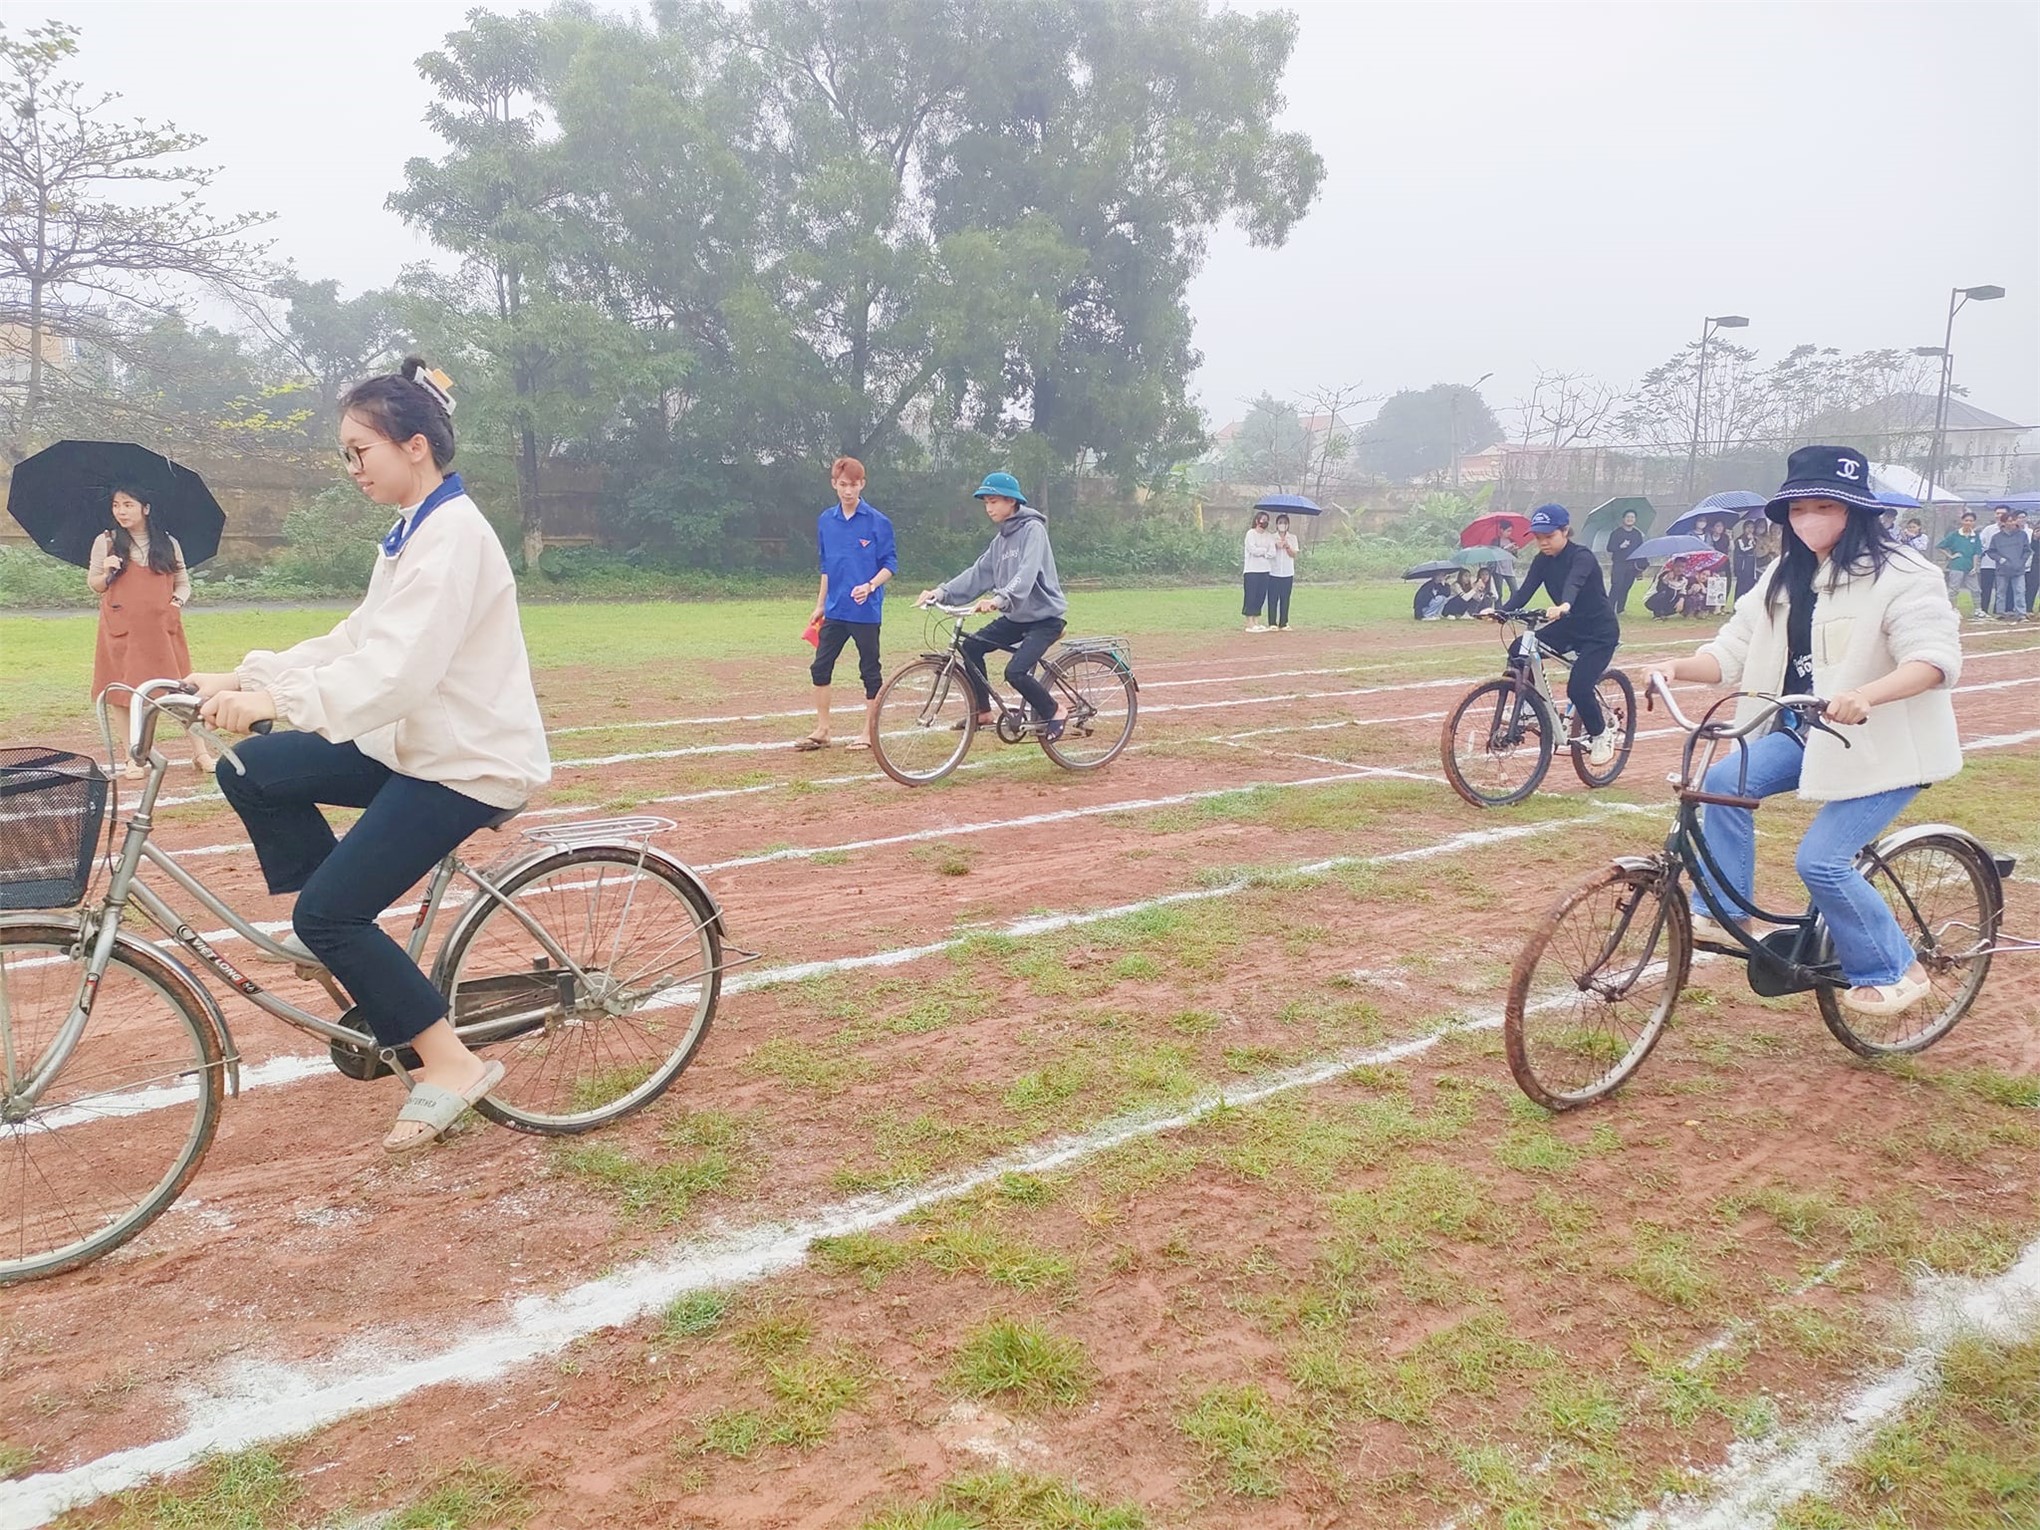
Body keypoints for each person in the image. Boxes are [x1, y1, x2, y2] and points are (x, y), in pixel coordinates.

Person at [185, 357, 550, 1154]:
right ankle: (346, 943)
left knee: (329, 912)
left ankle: (450, 1063)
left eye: (361, 452)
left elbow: (397, 672)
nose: (352, 469)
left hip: (465, 761)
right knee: (251, 767)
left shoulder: (454, 536)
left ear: (414, 445)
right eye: (345, 455)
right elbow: (359, 638)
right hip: (414, 744)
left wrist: (277, 703)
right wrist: (251, 675)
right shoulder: (414, 529)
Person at [1645, 445, 1961, 1018]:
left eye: (1824, 506)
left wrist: (1866, 694)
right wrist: (1676, 667)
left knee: (1821, 861)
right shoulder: (1782, 574)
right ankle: (1724, 908)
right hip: (1803, 730)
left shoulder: (1906, 574)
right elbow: (1732, 651)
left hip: (1882, 745)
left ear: (1856, 510)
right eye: (1797, 508)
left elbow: (1933, 659)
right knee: (1722, 781)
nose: (1808, 518)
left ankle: (1896, 968)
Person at [918, 472, 1068, 740]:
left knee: (1015, 671)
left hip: (1044, 618)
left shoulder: (1033, 530)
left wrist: (1000, 599)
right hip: (1016, 617)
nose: (989, 508)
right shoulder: (1000, 542)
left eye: (994, 501)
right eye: (986, 502)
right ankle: (983, 711)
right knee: (972, 646)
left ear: (1012, 502)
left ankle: (1054, 710)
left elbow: (1027, 572)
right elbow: (977, 575)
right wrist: (940, 592)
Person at [89, 483, 211, 778]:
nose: (121, 511)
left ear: (146, 508)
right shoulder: (106, 541)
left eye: (128, 504)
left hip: (161, 628)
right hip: (121, 629)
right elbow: (94, 584)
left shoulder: (168, 543)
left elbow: (182, 582)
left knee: (180, 689)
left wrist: (175, 604)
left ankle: (201, 753)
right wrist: (106, 572)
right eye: (116, 505)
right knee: (122, 692)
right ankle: (135, 758)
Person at [1495, 503, 1621, 767]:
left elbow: (1574, 582)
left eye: (1549, 536)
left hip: (1599, 631)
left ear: (1565, 532)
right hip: (1569, 626)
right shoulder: (1542, 561)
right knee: (1520, 648)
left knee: (1578, 687)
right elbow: (1524, 592)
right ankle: (1528, 706)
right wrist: (1500, 611)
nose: (1543, 543)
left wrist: (1565, 605)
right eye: (1539, 538)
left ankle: (1601, 734)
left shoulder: (1582, 556)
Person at [797, 456, 896, 751]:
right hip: (836, 609)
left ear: (862, 484)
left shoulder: (878, 522)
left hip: (866, 611)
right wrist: (820, 604)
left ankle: (868, 732)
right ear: (834, 485)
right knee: (820, 667)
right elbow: (826, 566)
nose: (848, 491)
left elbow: (890, 564)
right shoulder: (826, 521)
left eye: (853, 485)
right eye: (843, 485)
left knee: (869, 671)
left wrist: (870, 586)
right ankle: (823, 729)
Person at [1986, 508, 2030, 621]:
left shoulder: (2022, 535)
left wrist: (2021, 562)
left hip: (2018, 569)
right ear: (2003, 522)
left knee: (2020, 591)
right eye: (2008, 521)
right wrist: (2000, 559)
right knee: (2000, 592)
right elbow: (1991, 551)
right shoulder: (1996, 537)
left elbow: (2027, 550)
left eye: (2012, 521)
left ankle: (2021, 613)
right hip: (2002, 570)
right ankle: (2000, 612)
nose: (2010, 523)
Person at [1937, 510, 1983, 615]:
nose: (1968, 522)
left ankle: (1978, 610)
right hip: (1957, 566)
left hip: (1970, 566)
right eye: (1966, 520)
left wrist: (1975, 567)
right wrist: (1951, 556)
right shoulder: (1954, 534)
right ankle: (1952, 609)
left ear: (1974, 522)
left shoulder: (1975, 536)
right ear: (1962, 521)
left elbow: (1976, 552)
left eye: (1971, 521)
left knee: (1976, 589)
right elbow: (1940, 546)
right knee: (1954, 589)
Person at [1606, 510, 1646, 614]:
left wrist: (1642, 565)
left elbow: (1641, 549)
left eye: (1632, 517)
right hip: (1619, 564)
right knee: (1616, 585)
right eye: (1628, 517)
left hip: (1632, 565)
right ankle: (1609, 609)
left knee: (1626, 587)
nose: (1630, 519)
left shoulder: (1637, 534)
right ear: (1623, 519)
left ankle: (1620, 609)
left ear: (1635, 520)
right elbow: (1609, 548)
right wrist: (1620, 546)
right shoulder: (1616, 533)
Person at [1241, 511, 1276, 631]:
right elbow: (1252, 550)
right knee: (1251, 595)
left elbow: (1272, 553)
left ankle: (1256, 620)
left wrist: (1263, 552)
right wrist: (1264, 551)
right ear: (1257, 521)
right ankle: (1249, 622)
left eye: (1266, 520)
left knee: (1260, 596)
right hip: (1251, 570)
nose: (1264, 522)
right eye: (1262, 519)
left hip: (1265, 570)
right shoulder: (1250, 534)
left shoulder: (1269, 536)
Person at [1267, 514, 1300, 630]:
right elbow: (1268, 553)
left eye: (1285, 523)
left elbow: (1294, 554)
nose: (1282, 525)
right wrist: (1275, 546)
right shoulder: (1271, 537)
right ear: (1276, 524)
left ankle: (1284, 622)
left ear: (1288, 525)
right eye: (1280, 522)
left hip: (1287, 572)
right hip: (1273, 572)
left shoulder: (1293, 538)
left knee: (1285, 598)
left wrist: (1287, 546)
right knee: (1272, 598)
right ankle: (1272, 622)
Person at [1731, 521, 1760, 602]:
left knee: (1751, 585)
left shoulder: (1756, 539)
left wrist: (1753, 540)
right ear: (1744, 529)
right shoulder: (1739, 540)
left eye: (1752, 527)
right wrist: (1751, 542)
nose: (1750, 530)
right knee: (1741, 586)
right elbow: (1743, 550)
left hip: (1751, 568)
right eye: (1748, 527)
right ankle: (1737, 603)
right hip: (1742, 567)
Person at [1488, 531, 1519, 605]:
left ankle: (1511, 606)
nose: (1509, 533)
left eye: (1510, 530)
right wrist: (1505, 548)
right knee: (1499, 592)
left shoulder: (1511, 541)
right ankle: (1498, 609)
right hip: (1498, 569)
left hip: (1509, 568)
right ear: (1501, 530)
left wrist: (1514, 551)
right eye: (1508, 531)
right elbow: (1493, 553)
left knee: (1515, 590)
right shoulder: (1496, 541)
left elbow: (1515, 556)